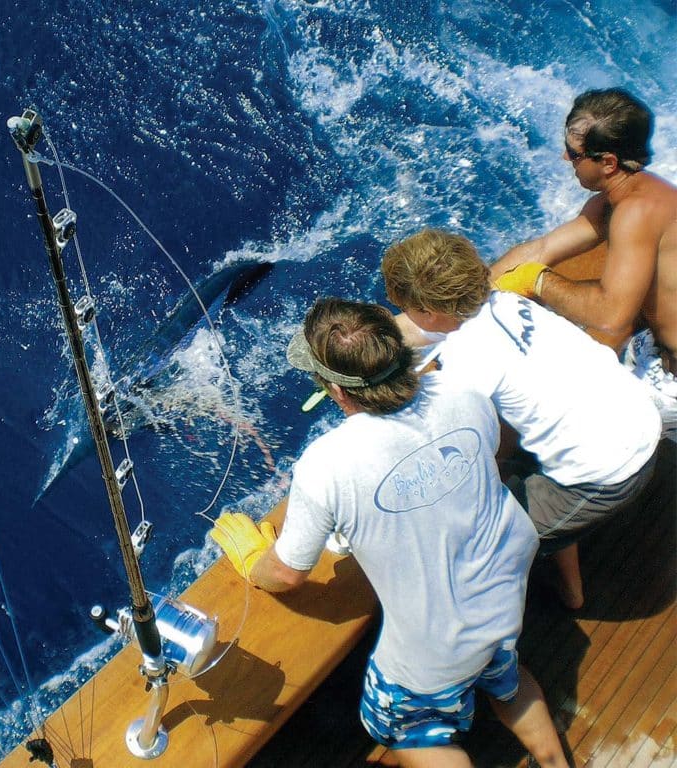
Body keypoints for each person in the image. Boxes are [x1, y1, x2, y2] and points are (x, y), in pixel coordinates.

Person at [211, 298, 568, 768]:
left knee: (414, 733)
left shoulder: (326, 464)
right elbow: (488, 454)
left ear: (336, 391)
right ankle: (556, 761)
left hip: (432, 650)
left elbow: (287, 574)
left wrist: (255, 561)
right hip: (502, 607)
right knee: (506, 674)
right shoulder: (463, 391)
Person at [384, 229, 660, 610]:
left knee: (467, 545)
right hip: (638, 423)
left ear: (430, 313)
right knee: (510, 456)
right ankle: (570, 589)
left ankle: (504, 637)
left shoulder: (467, 359)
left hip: (608, 475)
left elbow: (444, 444)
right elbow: (439, 336)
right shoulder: (510, 301)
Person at [490, 87, 677, 433]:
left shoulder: (635, 213)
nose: (565, 158)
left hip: (671, 382)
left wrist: (537, 281)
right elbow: (541, 249)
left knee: (559, 424)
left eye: (575, 155)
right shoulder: (621, 198)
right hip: (657, 347)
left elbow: (610, 315)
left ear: (607, 162)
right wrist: (468, 296)